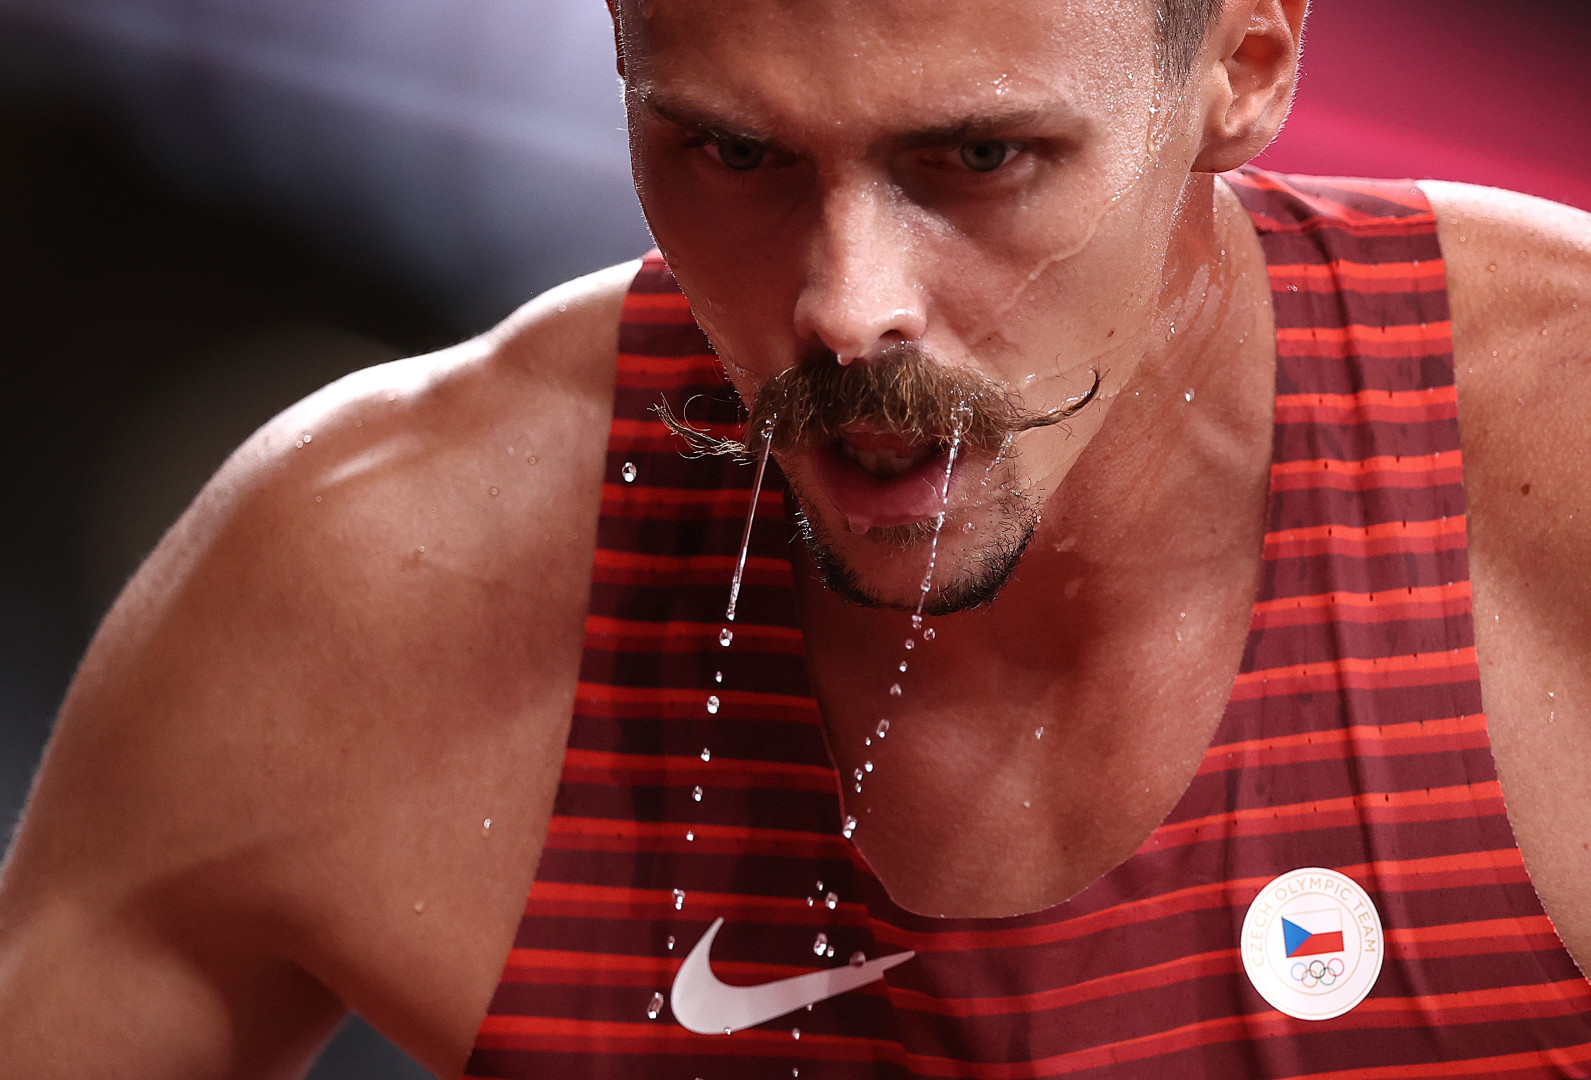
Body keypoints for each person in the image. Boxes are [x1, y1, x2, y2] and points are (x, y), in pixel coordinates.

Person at [4, 0, 1590, 1075]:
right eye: (735, 155)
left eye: (976, 158)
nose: (846, 306)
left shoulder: (1557, 472)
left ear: (1241, 65)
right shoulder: (376, 586)